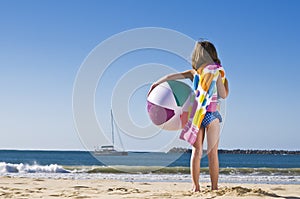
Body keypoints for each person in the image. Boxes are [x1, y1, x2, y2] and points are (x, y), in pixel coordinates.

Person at [148, 41, 229, 191]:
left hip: (197, 116)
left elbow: (170, 77)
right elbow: (223, 95)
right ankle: (214, 188)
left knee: (196, 152)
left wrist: (156, 83)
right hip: (212, 115)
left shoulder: (194, 73)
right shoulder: (217, 72)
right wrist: (225, 83)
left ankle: (195, 187)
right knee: (213, 154)